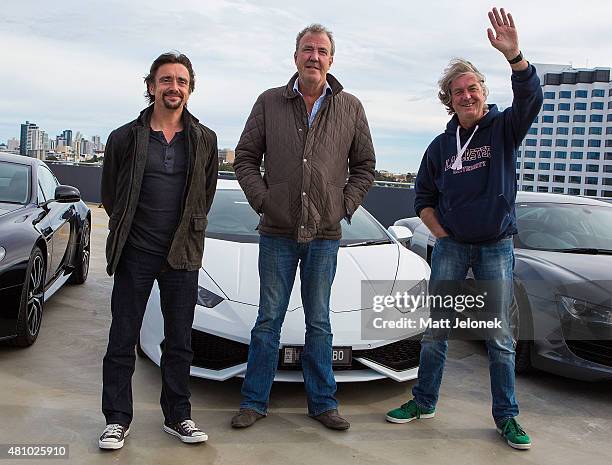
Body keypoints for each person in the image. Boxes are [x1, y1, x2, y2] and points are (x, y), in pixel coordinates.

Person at [385, 7, 542, 450]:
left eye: (472, 88)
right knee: (436, 333)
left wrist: (515, 58)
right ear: (448, 100)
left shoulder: (504, 130)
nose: (466, 96)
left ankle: (506, 417)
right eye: (458, 92)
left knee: (499, 338)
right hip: (452, 248)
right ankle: (423, 401)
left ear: (483, 91)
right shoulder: (439, 146)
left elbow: (530, 99)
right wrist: (441, 234)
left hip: (495, 247)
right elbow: (422, 199)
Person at [231, 24, 375, 431]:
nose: (314, 56)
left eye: (322, 51)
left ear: (331, 60)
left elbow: (364, 166)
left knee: (319, 322)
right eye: (307, 49)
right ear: (295, 56)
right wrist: (266, 200)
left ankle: (323, 403)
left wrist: (342, 206)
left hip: (325, 235)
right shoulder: (269, 102)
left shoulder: (350, 107)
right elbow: (245, 158)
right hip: (277, 232)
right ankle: (254, 402)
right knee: (268, 320)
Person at [99, 52, 218, 449]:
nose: (174, 87)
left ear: (190, 89)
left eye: (181, 81)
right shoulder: (124, 137)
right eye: (166, 80)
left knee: (180, 341)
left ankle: (178, 416)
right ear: (151, 86)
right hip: (136, 252)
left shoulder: (205, 139)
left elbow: (205, 194)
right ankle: (117, 419)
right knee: (122, 337)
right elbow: (112, 195)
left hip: (182, 254)